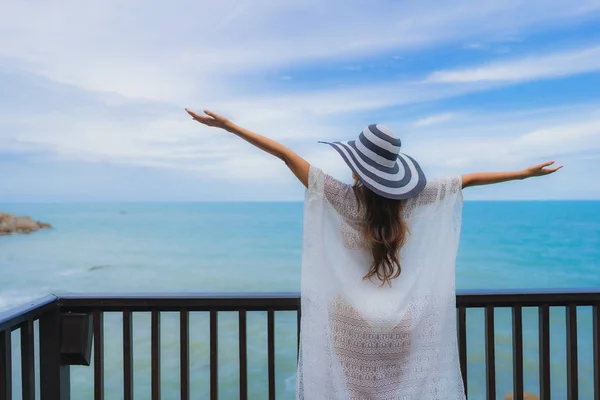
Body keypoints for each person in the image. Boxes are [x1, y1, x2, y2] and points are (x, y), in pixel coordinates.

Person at [185, 109, 562, 400]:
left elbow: (286, 155)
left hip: (350, 323)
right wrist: (523, 174)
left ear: (358, 165)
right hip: (401, 325)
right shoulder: (414, 201)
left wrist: (230, 126)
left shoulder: (342, 197)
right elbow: (469, 179)